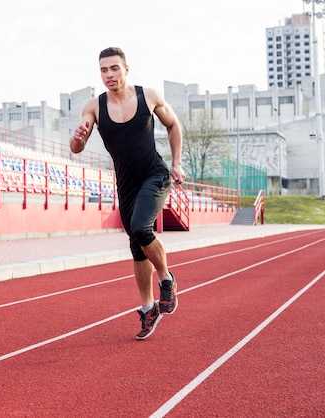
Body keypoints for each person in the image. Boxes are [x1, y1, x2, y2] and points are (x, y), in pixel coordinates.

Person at [70, 47, 186, 340]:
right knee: (136, 247)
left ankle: (167, 279)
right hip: (126, 184)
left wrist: (176, 163)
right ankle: (148, 308)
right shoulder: (94, 106)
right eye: (103, 70)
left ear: (126, 69)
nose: (108, 75)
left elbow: (173, 125)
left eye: (114, 69)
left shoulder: (149, 96)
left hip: (155, 175)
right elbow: (76, 149)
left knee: (140, 227)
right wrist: (77, 139)